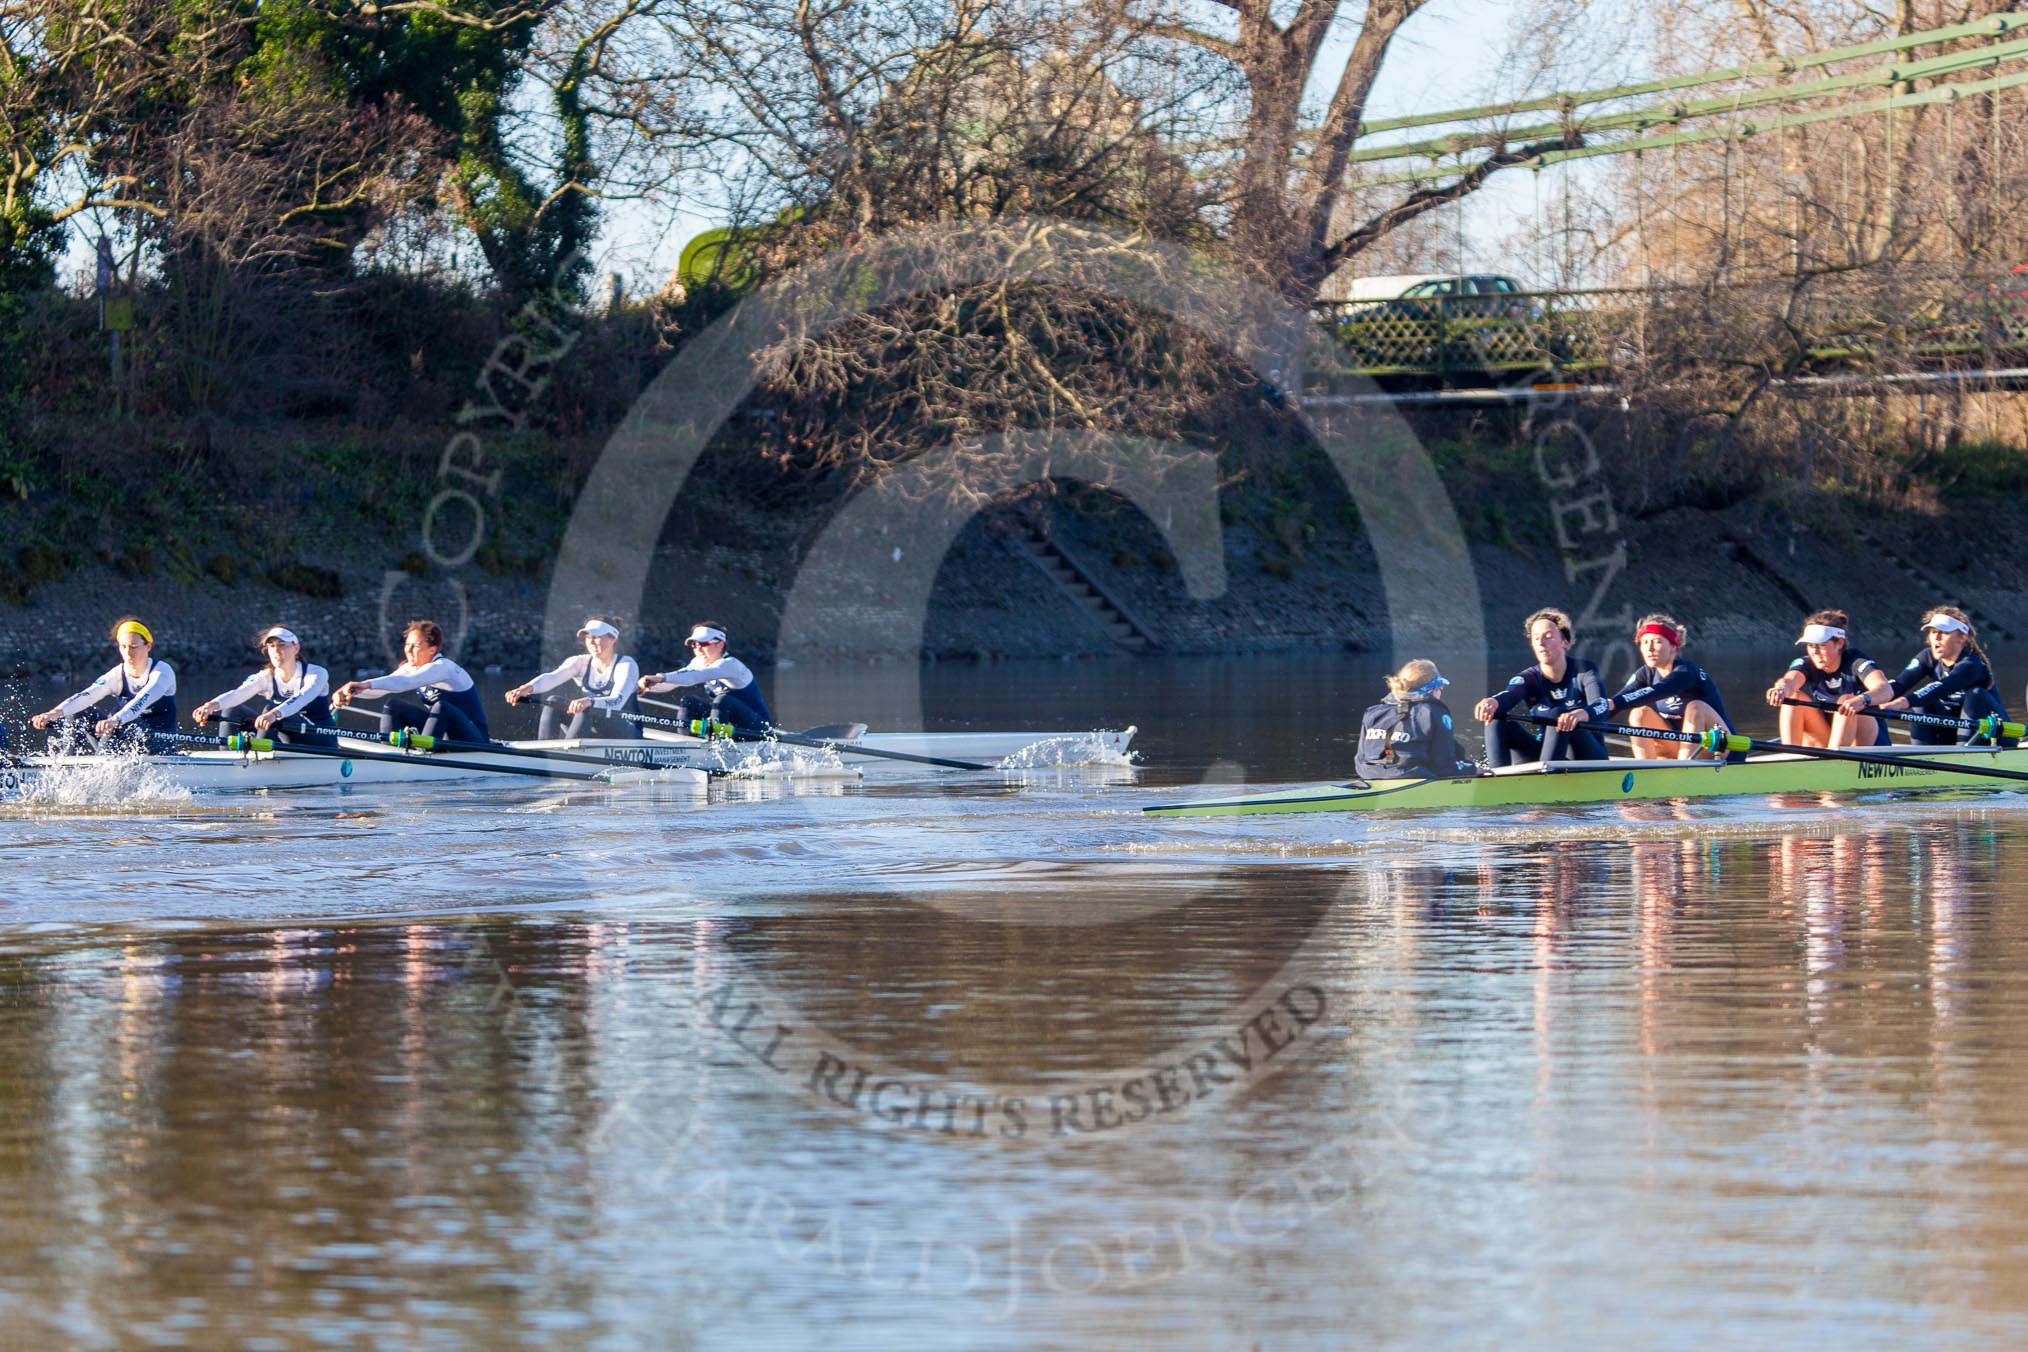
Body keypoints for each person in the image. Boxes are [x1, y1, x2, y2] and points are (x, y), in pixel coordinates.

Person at [1558, 613, 1733, 760]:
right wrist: (1581, 717)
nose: (1649, 648)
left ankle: (1684, 771)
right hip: (1682, 747)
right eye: (1644, 642)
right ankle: (1646, 772)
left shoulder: (1686, 672)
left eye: (1657, 641)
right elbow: (1615, 703)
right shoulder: (1645, 673)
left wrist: (1607, 705)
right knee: (1639, 713)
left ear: (1673, 646)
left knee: (1696, 707)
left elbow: (1657, 691)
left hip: (1722, 746)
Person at [1843, 606, 2011, 746]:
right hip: (1953, 731)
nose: (1936, 637)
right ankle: (1922, 757)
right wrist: (1866, 699)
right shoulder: (1926, 657)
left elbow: (1942, 686)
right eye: (1932, 632)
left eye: (1943, 633)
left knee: (1975, 694)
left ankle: (1964, 753)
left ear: (1962, 638)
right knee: (1920, 704)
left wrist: (1902, 702)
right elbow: (1898, 686)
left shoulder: (1971, 664)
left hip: (1994, 736)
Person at [1473, 607, 1609, 765]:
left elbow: (1602, 705)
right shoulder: (1528, 678)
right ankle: (1496, 779)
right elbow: (1508, 695)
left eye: (1548, 636)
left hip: (1588, 755)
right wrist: (1492, 702)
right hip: (1546, 754)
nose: (1541, 643)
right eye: (1536, 638)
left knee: (1558, 713)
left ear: (1565, 642)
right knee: (1495, 716)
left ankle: (1547, 778)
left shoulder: (1585, 670)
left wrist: (1580, 715)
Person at [28, 617, 177, 751]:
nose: (128, 653)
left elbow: (143, 699)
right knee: (79, 713)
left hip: (157, 742)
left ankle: (102, 769)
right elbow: (89, 694)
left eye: (134, 647)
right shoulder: (117, 674)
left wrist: (115, 720)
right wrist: (54, 713)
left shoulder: (162, 672)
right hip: (119, 734)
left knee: (123, 723)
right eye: (123, 646)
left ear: (148, 646)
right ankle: (68, 765)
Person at [331, 619, 491, 742]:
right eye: (407, 644)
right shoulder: (411, 667)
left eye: (415, 645)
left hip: (474, 737)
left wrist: (364, 684)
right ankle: (390, 752)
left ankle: (423, 753)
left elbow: (404, 682)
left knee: (442, 707)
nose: (408, 650)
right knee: (393, 705)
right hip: (444, 734)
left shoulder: (444, 667)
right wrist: (350, 694)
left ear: (432, 649)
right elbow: (386, 685)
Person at [1765, 609, 1893, 747]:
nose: (1814, 652)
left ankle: (1834, 760)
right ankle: (1790, 757)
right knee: (1792, 698)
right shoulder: (1806, 664)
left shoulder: (1856, 661)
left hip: (1869, 741)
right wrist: (1781, 689)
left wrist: (1863, 699)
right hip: (1829, 737)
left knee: (1846, 700)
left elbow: (1886, 690)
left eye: (1822, 645)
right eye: (1810, 645)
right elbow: (1790, 681)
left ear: (1839, 643)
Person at [190, 626, 337, 746]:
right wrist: (210, 706)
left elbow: (302, 698)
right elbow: (238, 693)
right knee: (231, 709)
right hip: (285, 737)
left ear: (296, 648)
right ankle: (229, 760)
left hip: (320, 738)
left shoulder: (316, 673)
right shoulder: (266, 677)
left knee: (271, 710)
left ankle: (260, 755)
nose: (277, 650)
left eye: (282, 645)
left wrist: (274, 714)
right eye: (272, 646)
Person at [505, 617, 642, 740]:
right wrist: (526, 689)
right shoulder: (580, 662)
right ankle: (543, 753)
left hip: (627, 733)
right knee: (554, 701)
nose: (592, 642)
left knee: (586, 709)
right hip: (592, 728)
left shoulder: (626, 665)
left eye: (597, 637)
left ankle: (569, 756)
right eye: (589, 637)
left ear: (613, 638)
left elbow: (617, 702)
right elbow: (552, 677)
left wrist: (589, 701)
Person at [1355, 659, 1477, 780]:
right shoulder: (1434, 712)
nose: (1441, 691)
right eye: (1441, 688)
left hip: (1369, 775)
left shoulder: (1373, 712)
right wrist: (1475, 770)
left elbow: (1360, 760)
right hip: (1411, 778)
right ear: (1432, 689)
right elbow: (1445, 767)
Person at [639, 621, 772, 730]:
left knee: (722, 700)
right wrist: (642, 688)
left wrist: (661, 677)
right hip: (727, 726)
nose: (698, 649)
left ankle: (717, 747)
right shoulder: (698, 662)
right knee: (688, 702)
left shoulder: (730, 664)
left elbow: (694, 677)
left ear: (720, 644)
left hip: (757, 727)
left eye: (703, 643)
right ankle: (687, 746)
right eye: (694, 644)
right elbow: (672, 683)